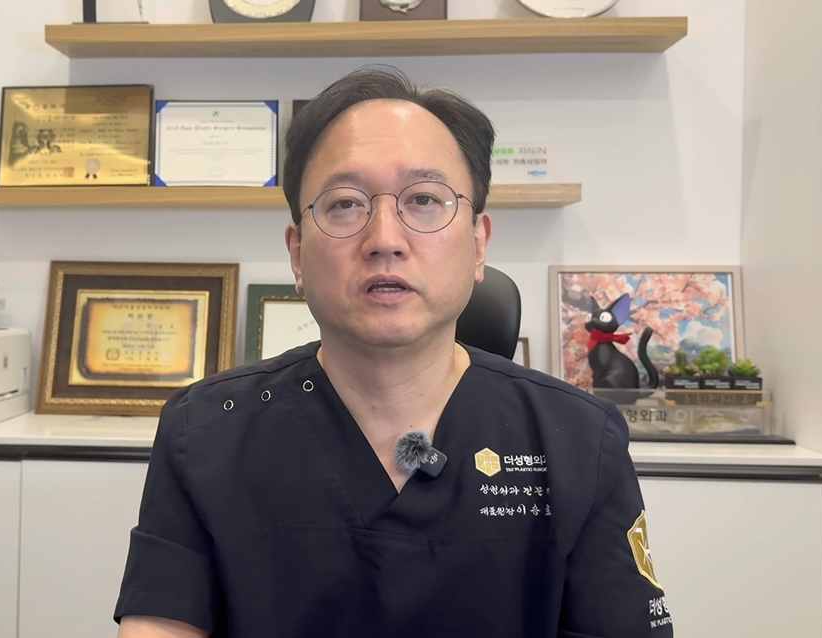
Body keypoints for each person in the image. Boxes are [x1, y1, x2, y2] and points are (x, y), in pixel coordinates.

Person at [113, 64, 673, 638]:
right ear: (297, 254)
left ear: (478, 244)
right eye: (344, 204)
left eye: (424, 199)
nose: (384, 239)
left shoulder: (579, 440)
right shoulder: (204, 432)